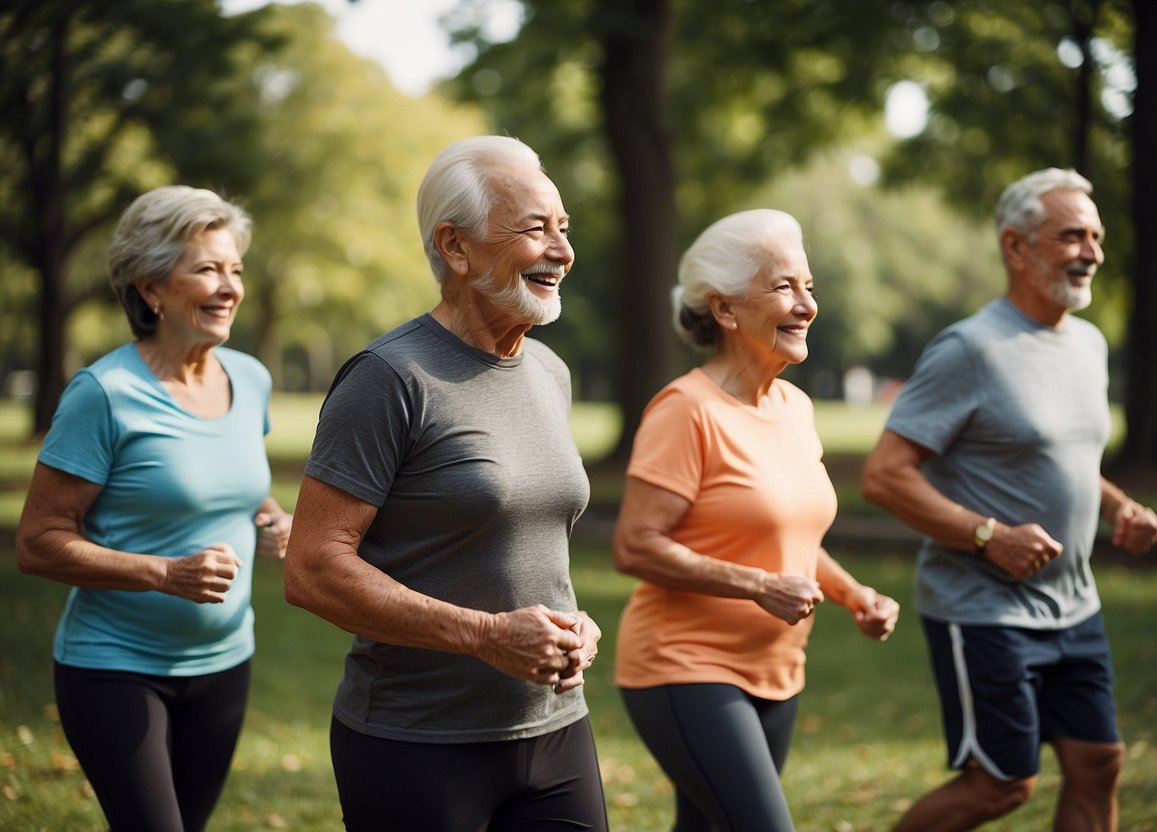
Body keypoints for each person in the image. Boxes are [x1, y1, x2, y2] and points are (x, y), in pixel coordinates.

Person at [282, 135, 609, 831]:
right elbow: (311, 569)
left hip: (554, 730)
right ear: (455, 248)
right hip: (414, 742)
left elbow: (526, 538)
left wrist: (573, 625)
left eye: (563, 228)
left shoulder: (550, 373)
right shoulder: (388, 377)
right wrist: (484, 634)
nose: (560, 249)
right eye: (534, 229)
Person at [861, 168, 1157, 831]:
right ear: (1015, 247)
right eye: (1070, 236)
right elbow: (884, 475)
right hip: (983, 611)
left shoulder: (1088, 344)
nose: (1090, 252)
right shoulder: (969, 349)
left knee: (1098, 762)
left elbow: (1062, 456)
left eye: (1096, 236)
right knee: (1000, 785)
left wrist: (1118, 508)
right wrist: (986, 536)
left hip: (1074, 606)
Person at [612, 208, 901, 832]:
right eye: (783, 287)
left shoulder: (795, 407)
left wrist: (855, 596)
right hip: (684, 668)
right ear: (724, 310)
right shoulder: (685, 410)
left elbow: (788, 539)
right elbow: (635, 547)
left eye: (809, 287)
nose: (807, 306)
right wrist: (758, 585)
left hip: (777, 674)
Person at [15, 185, 293, 832]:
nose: (229, 287)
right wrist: (167, 574)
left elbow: (231, 482)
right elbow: (37, 542)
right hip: (116, 669)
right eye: (206, 269)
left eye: (235, 270)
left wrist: (271, 517)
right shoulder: (103, 394)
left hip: (227, 662)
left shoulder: (249, 379)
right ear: (150, 289)